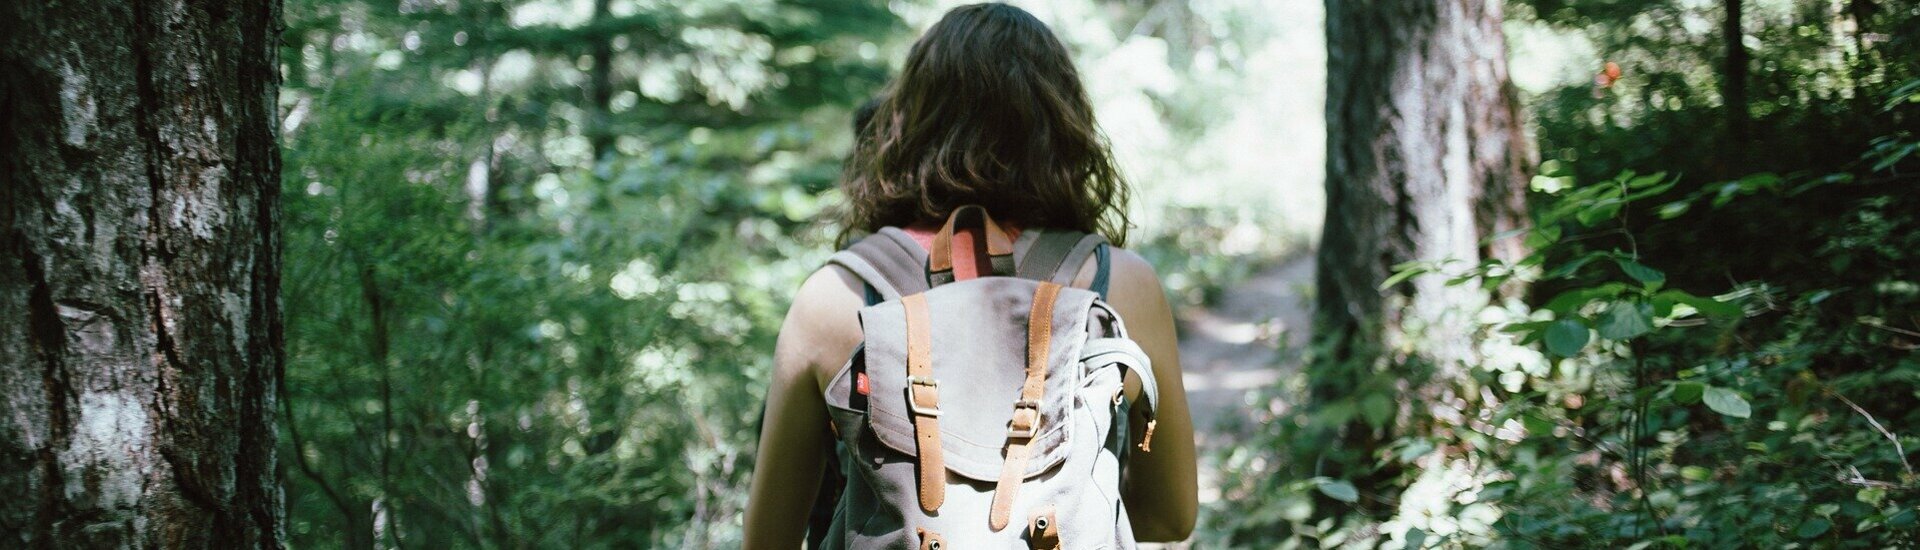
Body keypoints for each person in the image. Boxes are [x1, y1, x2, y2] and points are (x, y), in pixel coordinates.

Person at [743, 3, 1197, 547]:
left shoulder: (836, 296)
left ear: (907, 120)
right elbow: (1170, 518)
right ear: (1062, 126)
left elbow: (770, 537)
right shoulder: (1119, 284)